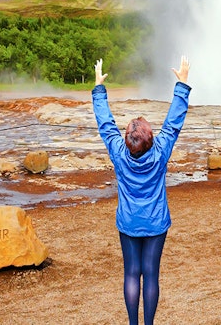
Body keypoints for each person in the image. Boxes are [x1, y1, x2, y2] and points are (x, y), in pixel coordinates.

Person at [92, 56, 191, 325]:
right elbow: (173, 124)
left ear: (128, 140)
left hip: (128, 222)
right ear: (150, 139)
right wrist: (182, 84)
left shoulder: (118, 151)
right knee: (151, 274)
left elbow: (105, 124)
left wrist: (99, 89)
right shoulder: (159, 152)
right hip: (156, 222)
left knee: (131, 274)